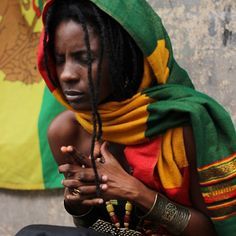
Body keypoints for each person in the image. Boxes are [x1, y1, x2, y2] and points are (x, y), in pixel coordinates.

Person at [16, 0, 236, 235]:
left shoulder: (185, 125)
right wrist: (79, 208)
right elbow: (102, 230)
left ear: (124, 57)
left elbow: (214, 232)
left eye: (86, 59)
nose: (67, 74)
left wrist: (137, 193)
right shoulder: (67, 131)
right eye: (60, 60)